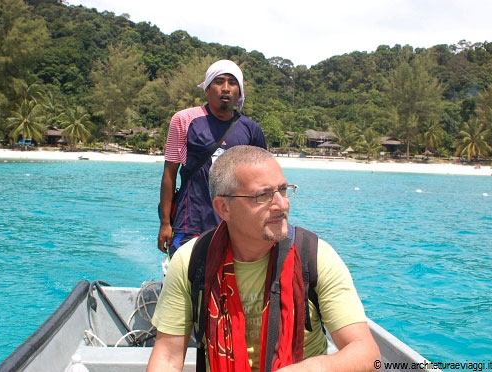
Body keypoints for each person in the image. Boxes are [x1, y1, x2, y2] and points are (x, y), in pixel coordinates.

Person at [148, 145, 380, 372]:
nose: (282, 204)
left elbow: (367, 355)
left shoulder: (315, 257)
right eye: (263, 195)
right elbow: (168, 357)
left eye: (283, 189)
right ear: (223, 208)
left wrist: (312, 368)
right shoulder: (193, 260)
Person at [158, 60, 266, 258]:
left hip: (235, 226)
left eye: (232, 83)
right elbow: (169, 173)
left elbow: (263, 181)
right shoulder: (184, 120)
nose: (225, 88)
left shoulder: (251, 130)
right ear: (207, 89)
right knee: (185, 281)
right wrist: (165, 223)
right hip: (190, 222)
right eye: (218, 81)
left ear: (240, 92)